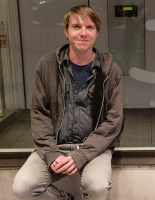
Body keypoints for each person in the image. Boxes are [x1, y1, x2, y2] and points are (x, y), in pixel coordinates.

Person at [12, 4, 124, 200]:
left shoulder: (110, 70)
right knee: (23, 187)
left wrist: (81, 155)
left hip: (94, 148)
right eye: (76, 27)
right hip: (55, 145)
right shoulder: (46, 65)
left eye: (89, 27)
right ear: (66, 31)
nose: (83, 33)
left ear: (97, 33)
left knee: (97, 187)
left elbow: (114, 120)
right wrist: (50, 153)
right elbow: (39, 113)